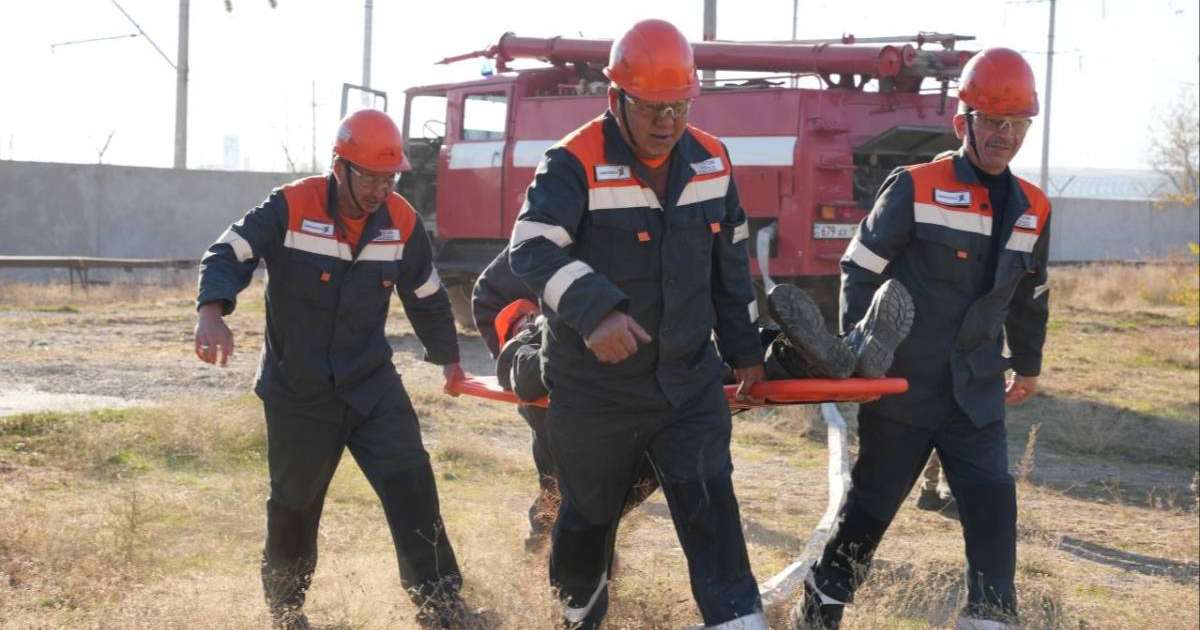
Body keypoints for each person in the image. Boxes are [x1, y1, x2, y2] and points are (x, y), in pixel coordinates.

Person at [506, 18, 770, 629]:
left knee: (712, 510)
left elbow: (730, 262)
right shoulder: (572, 162)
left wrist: (745, 351)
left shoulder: (712, 161)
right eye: (651, 108)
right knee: (588, 519)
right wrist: (596, 310)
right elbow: (531, 247)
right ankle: (577, 615)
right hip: (596, 391)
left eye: (678, 107)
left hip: (687, 384)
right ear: (615, 98)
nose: (666, 122)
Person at [791, 48, 1051, 630]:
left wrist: (1027, 364)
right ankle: (822, 604)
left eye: (1017, 125)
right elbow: (860, 268)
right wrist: (861, 353)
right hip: (903, 387)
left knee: (991, 507)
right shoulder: (915, 186)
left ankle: (989, 618)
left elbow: (1031, 295)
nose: (1005, 135)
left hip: (975, 392)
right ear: (965, 122)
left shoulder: (1034, 207)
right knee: (871, 511)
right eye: (993, 122)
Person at [193, 109, 477, 630]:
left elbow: (427, 294)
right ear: (338, 165)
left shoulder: (402, 220)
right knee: (294, 507)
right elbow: (228, 253)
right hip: (299, 392)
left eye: (389, 178)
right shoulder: (291, 205)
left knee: (412, 485)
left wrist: (450, 361)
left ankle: (441, 607)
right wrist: (213, 313)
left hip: (371, 386)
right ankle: (287, 611)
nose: (378, 189)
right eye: (368, 176)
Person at [474, 245, 913, 555]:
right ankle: (550, 574)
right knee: (570, 515)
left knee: (725, 365)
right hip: (592, 425)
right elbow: (528, 381)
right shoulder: (524, 342)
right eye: (526, 317)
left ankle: (824, 354)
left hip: (651, 394)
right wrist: (557, 337)